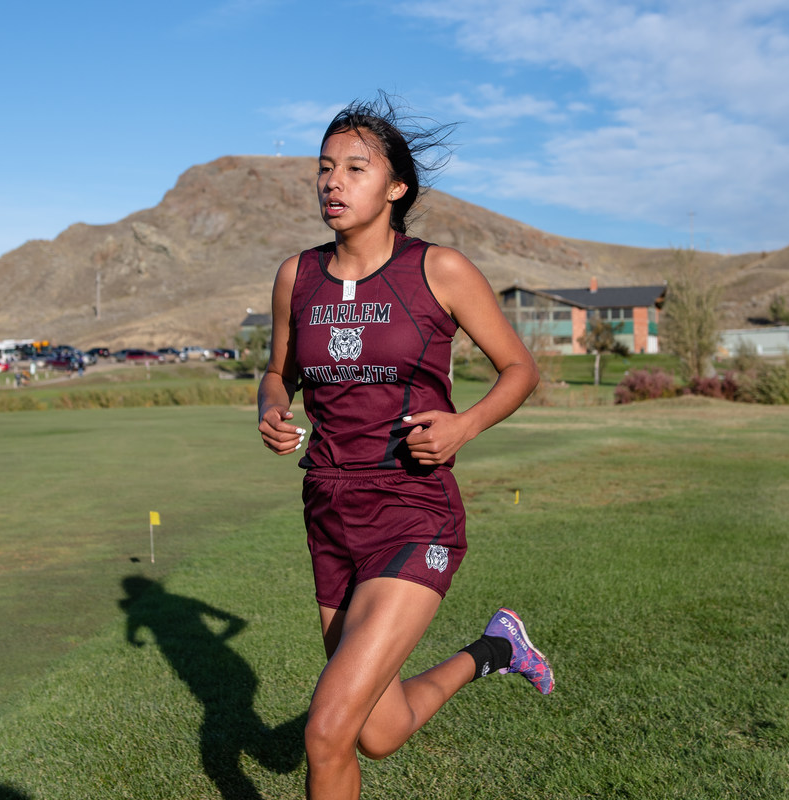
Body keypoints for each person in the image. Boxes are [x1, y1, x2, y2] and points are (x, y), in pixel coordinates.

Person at [257, 94, 554, 800]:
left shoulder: (438, 270)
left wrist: (463, 425)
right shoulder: (295, 277)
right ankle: (499, 649)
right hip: (329, 510)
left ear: (395, 188)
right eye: (324, 168)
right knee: (378, 732)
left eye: (355, 169)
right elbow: (277, 373)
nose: (333, 182)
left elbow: (521, 369)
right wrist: (272, 409)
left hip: (413, 509)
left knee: (327, 731)